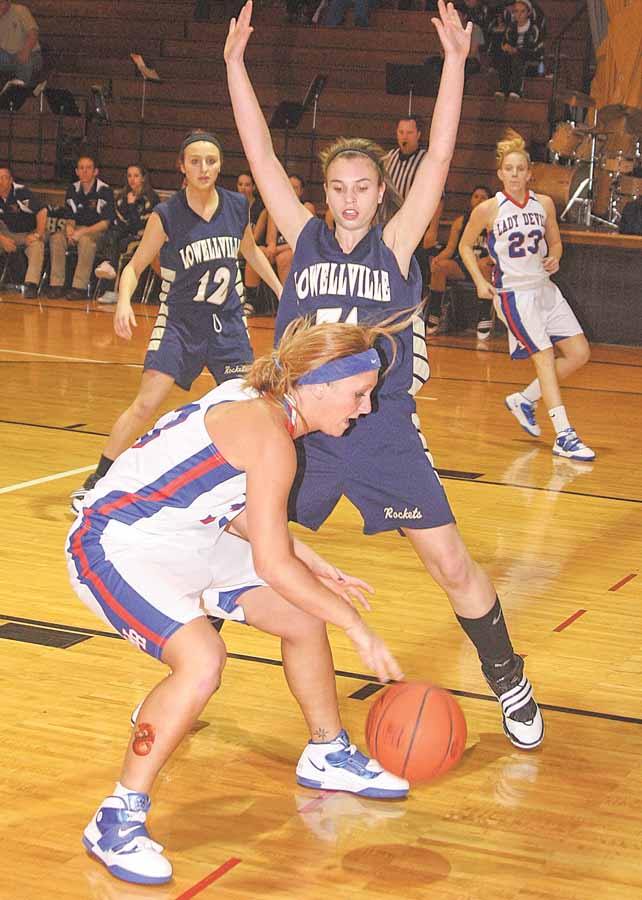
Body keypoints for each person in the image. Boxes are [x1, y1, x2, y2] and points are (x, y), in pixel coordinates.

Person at [226, 0, 544, 751]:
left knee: (451, 562)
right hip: (300, 435)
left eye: (362, 186)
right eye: (338, 186)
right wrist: (235, 67)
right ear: (326, 192)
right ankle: (281, 703)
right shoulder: (304, 241)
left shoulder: (396, 246)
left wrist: (458, 65)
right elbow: (263, 156)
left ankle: (510, 677)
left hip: (381, 433)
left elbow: (437, 156)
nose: (349, 198)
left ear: (379, 192)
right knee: (244, 544)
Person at [66, 316, 411, 886]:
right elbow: (272, 563)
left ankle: (327, 751)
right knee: (202, 661)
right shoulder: (272, 436)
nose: (365, 407)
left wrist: (311, 561)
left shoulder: (263, 400)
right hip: (117, 543)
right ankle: (118, 815)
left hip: (187, 533)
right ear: (320, 384)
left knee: (301, 613)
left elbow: (224, 501)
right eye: (359, 393)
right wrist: (356, 626)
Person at [69, 131, 283, 513]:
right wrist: (123, 301)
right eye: (196, 161)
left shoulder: (237, 205)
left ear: (220, 165)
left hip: (227, 324)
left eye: (212, 161)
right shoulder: (166, 214)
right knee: (145, 402)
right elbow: (134, 267)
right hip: (180, 324)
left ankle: (255, 487)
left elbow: (250, 251)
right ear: (182, 166)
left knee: (252, 405)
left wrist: (283, 291)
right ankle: (99, 479)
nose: (205, 168)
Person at [459, 129, 594, 460]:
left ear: (530, 173)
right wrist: (478, 279)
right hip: (514, 295)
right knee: (545, 356)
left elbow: (557, 242)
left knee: (579, 353)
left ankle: (524, 399)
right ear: (500, 173)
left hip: (545, 288)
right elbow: (464, 245)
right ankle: (563, 434)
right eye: (510, 169)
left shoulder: (544, 203)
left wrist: (556, 257)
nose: (515, 174)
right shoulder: (488, 209)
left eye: (521, 169)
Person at [383, 116, 445, 301]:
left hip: (416, 226)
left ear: (418, 135)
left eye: (409, 132)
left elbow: (439, 198)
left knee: (413, 272)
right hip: (390, 224)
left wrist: (433, 229)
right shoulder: (389, 158)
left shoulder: (426, 160)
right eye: (401, 132)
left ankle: (415, 308)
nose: (405, 136)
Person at [425, 183, 494, 338]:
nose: (479, 200)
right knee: (440, 267)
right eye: (476, 196)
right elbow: (450, 249)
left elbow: (500, 251)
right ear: (470, 200)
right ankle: (435, 312)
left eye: (483, 197)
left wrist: (488, 259)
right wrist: (438, 259)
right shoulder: (460, 222)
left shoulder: (495, 221)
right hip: (464, 266)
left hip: (486, 267)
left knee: (484, 265)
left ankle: (484, 315)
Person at [47, 155, 115, 299]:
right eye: (81, 168)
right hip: (77, 228)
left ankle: (79, 287)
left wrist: (83, 232)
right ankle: (56, 284)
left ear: (95, 171)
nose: (84, 171)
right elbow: (70, 217)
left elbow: (105, 223)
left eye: (88, 168)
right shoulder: (72, 189)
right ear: (77, 171)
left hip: (97, 231)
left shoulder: (104, 190)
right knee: (57, 238)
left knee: (85, 242)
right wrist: (70, 229)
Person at [93, 163, 160, 305]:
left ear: (143, 178)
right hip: (126, 233)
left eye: (136, 176)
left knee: (123, 246)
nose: (132, 179)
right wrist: (129, 212)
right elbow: (122, 223)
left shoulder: (151, 198)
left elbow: (140, 225)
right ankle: (108, 270)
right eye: (129, 176)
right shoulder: (122, 197)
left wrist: (131, 206)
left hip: (144, 238)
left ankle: (116, 291)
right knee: (110, 237)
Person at [0, 164, 46, 297]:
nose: (1, 182)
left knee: (37, 246)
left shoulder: (21, 192)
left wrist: (38, 234)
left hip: (28, 232)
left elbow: (42, 211)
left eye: (4, 178)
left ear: (11, 180)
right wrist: (2, 239)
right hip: (6, 233)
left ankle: (31, 285)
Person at [266, 173, 316, 285]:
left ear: (301, 191)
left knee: (283, 258)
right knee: (258, 253)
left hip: (298, 248)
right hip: (278, 248)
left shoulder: (307, 207)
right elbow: (270, 239)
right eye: (288, 186)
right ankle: (253, 295)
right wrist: (271, 246)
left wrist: (278, 249)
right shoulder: (275, 207)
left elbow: (305, 240)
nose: (290, 190)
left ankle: (287, 299)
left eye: (295, 187)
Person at [494, 0, 544, 99]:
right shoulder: (511, 28)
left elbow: (537, 50)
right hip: (512, 56)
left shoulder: (534, 29)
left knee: (517, 58)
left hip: (529, 58)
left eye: (522, 11)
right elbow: (504, 42)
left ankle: (515, 90)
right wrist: (506, 47)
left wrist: (518, 50)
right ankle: (503, 89)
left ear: (529, 13)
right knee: (504, 57)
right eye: (516, 11)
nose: (519, 15)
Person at [236, 169, 267, 315]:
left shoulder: (261, 208)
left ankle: (250, 301)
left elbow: (255, 237)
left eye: (247, 185)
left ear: (253, 187)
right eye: (241, 184)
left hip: (254, 247)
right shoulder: (231, 205)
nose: (243, 188)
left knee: (252, 253)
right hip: (234, 246)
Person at [0, 0, 41, 85]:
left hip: (30, 53)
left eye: (1, 2)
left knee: (26, 62)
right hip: (6, 56)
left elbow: (33, 33)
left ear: (8, 2)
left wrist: (25, 51)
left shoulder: (20, 10)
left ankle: (19, 93)